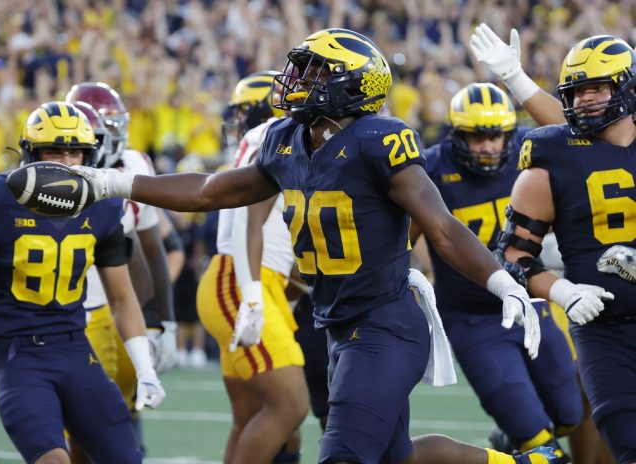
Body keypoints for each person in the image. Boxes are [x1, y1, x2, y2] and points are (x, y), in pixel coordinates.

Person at [59, 28, 557, 464]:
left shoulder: (380, 139)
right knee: (397, 457)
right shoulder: (287, 138)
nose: (298, 79)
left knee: (343, 455)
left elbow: (442, 227)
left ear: (352, 84)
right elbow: (210, 190)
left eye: (315, 71)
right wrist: (112, 183)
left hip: (384, 323)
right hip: (337, 322)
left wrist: (500, 282)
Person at [0, 101, 165, 464]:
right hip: (18, 354)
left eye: (75, 152)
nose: (66, 162)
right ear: (30, 154)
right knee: (53, 460)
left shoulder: (103, 206)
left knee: (126, 458)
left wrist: (145, 369)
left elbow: (122, 297)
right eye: (54, 151)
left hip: (75, 348)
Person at [470, 25, 621, 464]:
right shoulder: (570, 146)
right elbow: (579, 133)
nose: (585, 101)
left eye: (597, 88)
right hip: (595, 301)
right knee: (596, 406)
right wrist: (516, 79)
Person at [410, 82, 583, 458]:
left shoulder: (528, 149)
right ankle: (522, 438)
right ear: (458, 134)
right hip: (474, 319)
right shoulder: (432, 169)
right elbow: (404, 237)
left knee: (571, 415)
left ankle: (508, 440)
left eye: (496, 136)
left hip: (529, 306)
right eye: (477, 136)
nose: (488, 146)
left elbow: (578, 135)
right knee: (538, 441)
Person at [196, 70, 309, 464]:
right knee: (290, 405)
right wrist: (253, 296)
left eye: (243, 112)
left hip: (253, 279)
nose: (238, 121)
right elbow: (248, 220)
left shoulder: (279, 137)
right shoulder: (271, 135)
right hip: (241, 279)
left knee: (256, 419)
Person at [65, 82, 177, 456]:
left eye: (115, 125)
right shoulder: (51, 179)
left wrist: (162, 323)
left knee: (123, 417)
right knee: (83, 428)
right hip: (74, 314)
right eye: (105, 126)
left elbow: (149, 249)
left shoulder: (134, 164)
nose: (113, 135)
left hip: (122, 310)